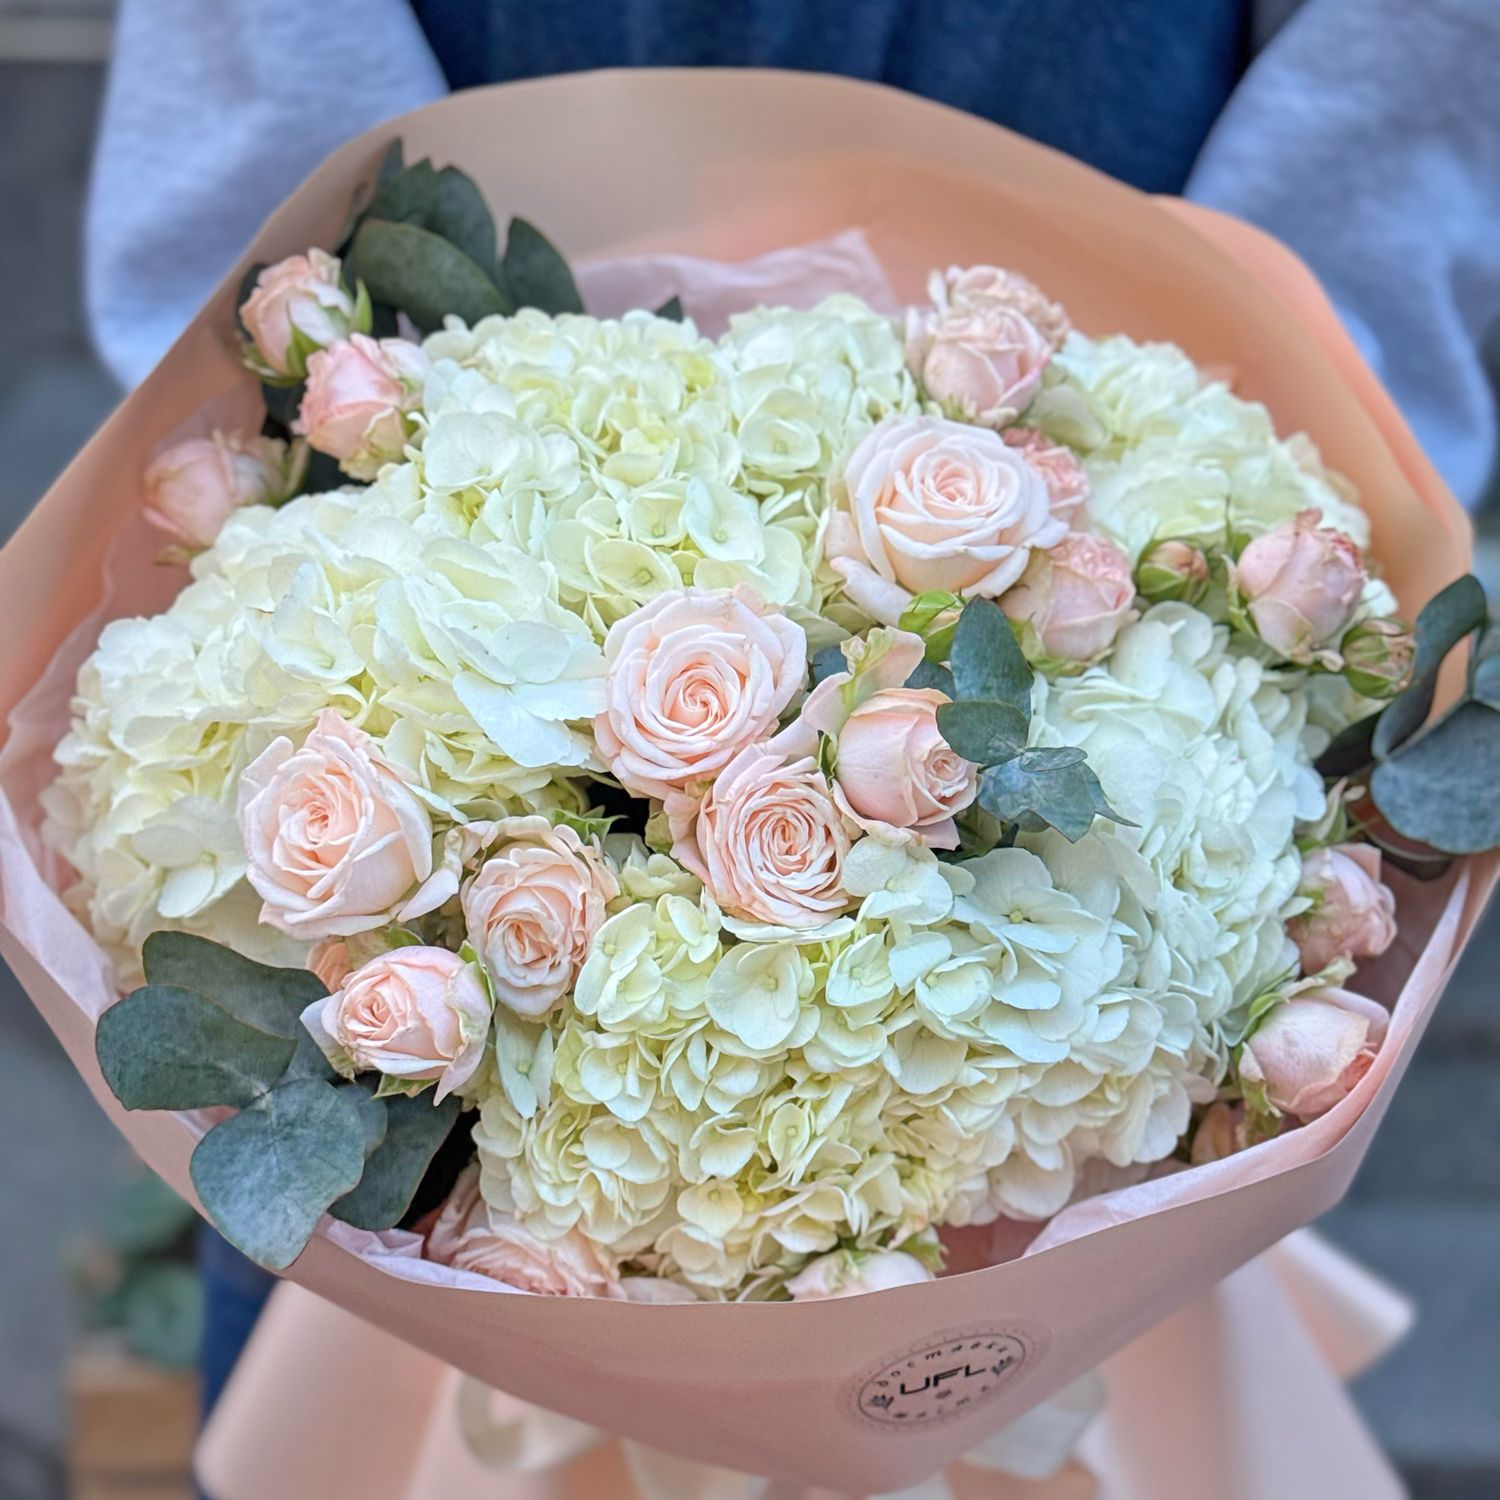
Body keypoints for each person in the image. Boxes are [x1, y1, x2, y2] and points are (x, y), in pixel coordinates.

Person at [81, 0, 1499, 1454]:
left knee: (1057, 1304)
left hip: (1116, 296)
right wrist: (337, 432)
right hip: (426, 1121)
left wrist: (1267, 418)